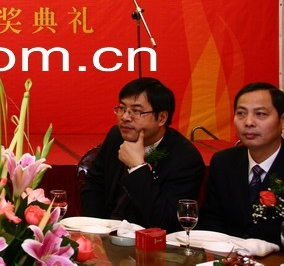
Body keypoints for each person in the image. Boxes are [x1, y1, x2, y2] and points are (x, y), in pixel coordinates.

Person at [81, 77, 204, 232]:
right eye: (122, 108)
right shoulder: (116, 136)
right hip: (107, 233)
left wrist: (137, 168)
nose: (125, 117)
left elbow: (166, 221)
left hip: (150, 240)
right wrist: (96, 228)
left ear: (161, 118)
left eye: (136, 111)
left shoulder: (185, 158)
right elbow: (94, 184)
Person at [200, 82, 284, 246]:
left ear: (282, 120)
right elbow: (211, 221)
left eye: (260, 114)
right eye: (241, 113)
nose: (248, 122)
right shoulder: (223, 162)